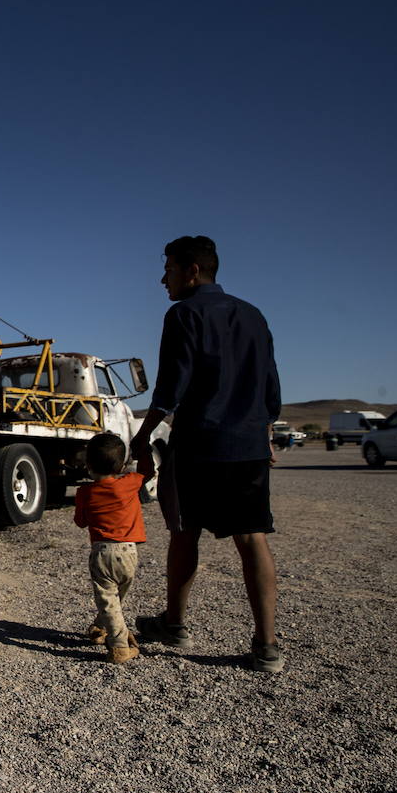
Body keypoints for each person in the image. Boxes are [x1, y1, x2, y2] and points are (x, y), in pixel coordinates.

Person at [130, 236, 284, 673]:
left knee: (185, 532)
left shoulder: (184, 314)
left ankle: (175, 624)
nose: (164, 279)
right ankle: (266, 646)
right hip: (248, 445)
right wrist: (265, 430)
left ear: (193, 271)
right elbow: (270, 385)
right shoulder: (254, 315)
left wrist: (143, 438)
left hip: (200, 443)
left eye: (170, 270)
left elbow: (171, 386)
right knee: (252, 537)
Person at [74, 433, 146, 664]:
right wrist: (142, 449)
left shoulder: (85, 493)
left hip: (102, 553)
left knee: (108, 599)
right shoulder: (131, 482)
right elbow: (149, 471)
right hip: (129, 553)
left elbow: (81, 521)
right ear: (122, 464)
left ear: (88, 464)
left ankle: (119, 646)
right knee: (114, 600)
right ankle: (100, 628)